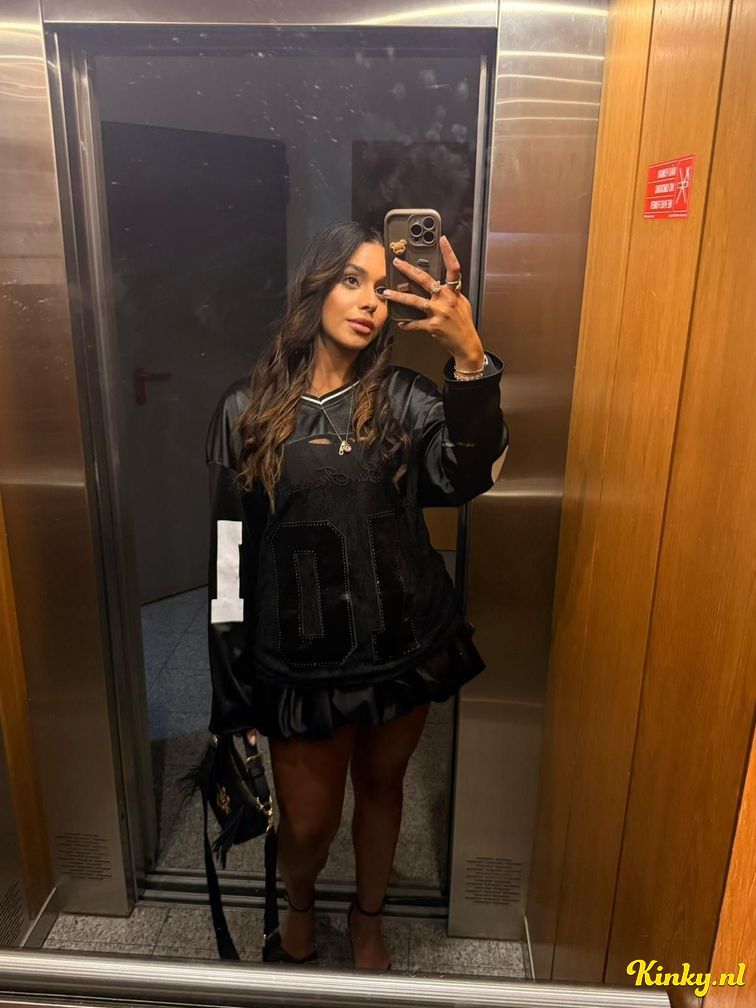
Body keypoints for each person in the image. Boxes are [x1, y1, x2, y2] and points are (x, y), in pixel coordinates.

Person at [205, 219, 508, 971]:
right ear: (314, 289)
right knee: (308, 826)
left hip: (400, 646)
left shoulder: (403, 398)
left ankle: (367, 917)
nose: (370, 300)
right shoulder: (245, 409)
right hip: (297, 661)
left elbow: (465, 475)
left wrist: (470, 360)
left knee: (381, 788)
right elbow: (228, 560)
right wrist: (232, 700)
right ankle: (300, 905)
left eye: (382, 286)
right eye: (351, 280)